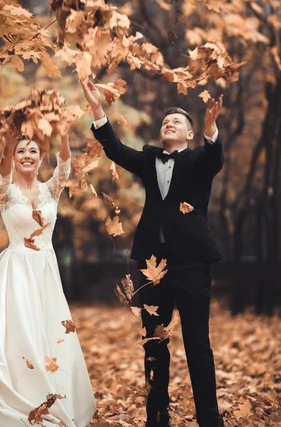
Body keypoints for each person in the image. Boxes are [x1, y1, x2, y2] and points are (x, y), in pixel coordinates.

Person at [81, 79, 224, 427]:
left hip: (191, 262)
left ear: (189, 135)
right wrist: (98, 109)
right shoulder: (148, 159)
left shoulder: (198, 162)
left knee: (197, 342)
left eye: (177, 122)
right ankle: (156, 417)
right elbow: (114, 149)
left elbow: (214, 159)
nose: (169, 123)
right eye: (165, 122)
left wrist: (210, 128)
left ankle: (209, 418)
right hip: (151, 265)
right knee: (153, 343)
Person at [0, 124, 95, 427]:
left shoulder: (50, 190)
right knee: (20, 333)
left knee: (49, 332)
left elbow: (65, 165)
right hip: (16, 270)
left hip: (45, 270)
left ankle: (53, 398)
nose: (26, 155)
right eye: (21, 151)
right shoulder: (5, 191)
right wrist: (8, 145)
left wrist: (62, 134)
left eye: (32, 150)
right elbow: (4, 169)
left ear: (40, 156)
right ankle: (16, 395)